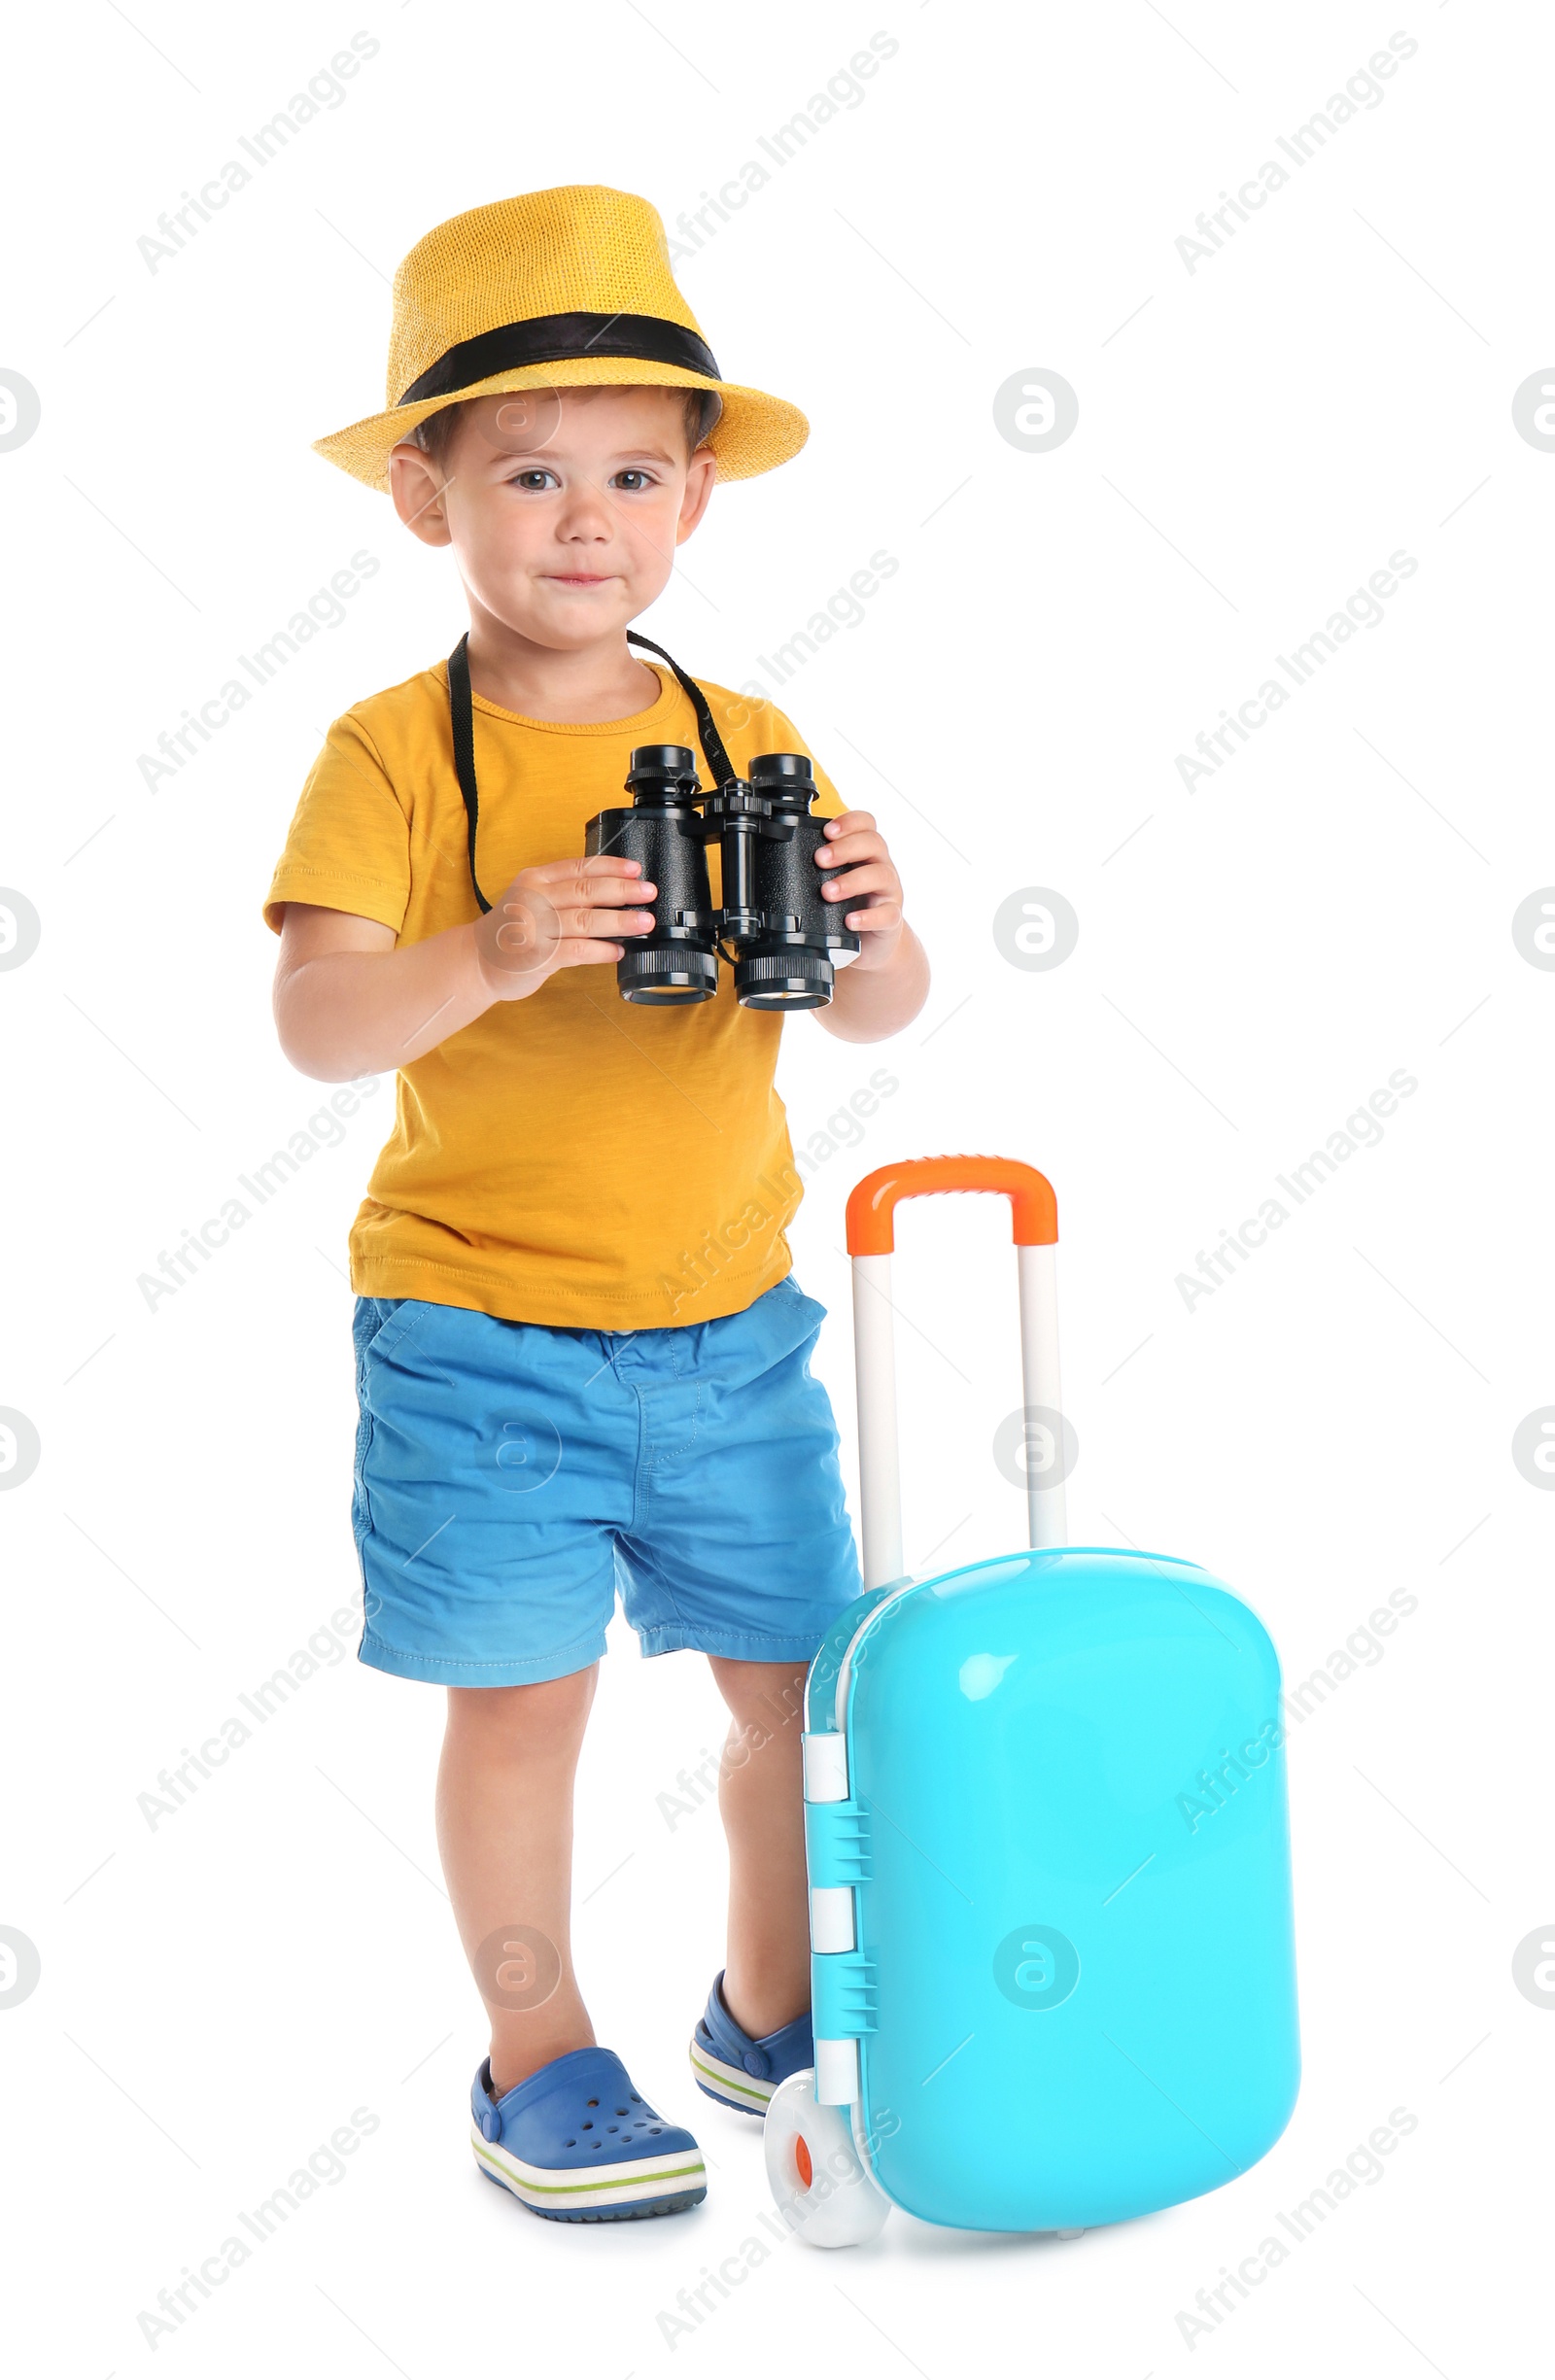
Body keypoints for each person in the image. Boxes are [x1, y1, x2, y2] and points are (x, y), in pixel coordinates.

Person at [264, 185, 928, 2222]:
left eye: (633, 474)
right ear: (421, 496)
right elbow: (314, 1021)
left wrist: (880, 934)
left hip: (728, 1321)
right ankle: (537, 2054)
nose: (582, 521)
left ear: (696, 502)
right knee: (522, 1704)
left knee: (791, 1692)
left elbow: (873, 1007)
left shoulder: (746, 739)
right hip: (478, 1330)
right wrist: (483, 948)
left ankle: (769, 2010)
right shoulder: (390, 751)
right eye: (529, 473)